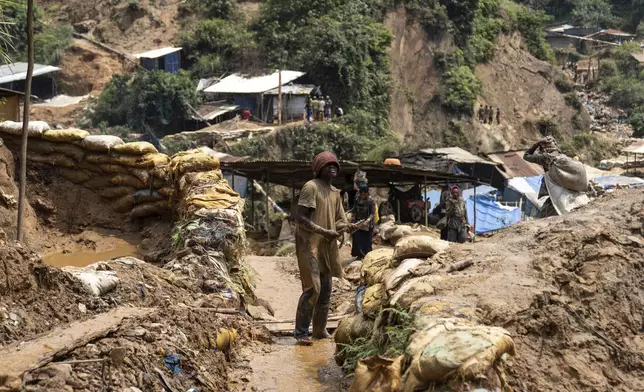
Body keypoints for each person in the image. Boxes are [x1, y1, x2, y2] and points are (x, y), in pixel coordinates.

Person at [292, 152, 358, 345]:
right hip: (309, 245)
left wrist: (349, 227)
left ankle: (319, 330)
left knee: (326, 290)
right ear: (319, 168)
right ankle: (301, 332)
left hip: (326, 248)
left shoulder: (335, 193)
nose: (332, 167)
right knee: (313, 288)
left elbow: (339, 221)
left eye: (335, 165)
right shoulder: (311, 187)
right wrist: (323, 231)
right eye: (328, 164)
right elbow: (301, 217)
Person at [523, 136, 560, 218]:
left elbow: (526, 155)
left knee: (545, 212)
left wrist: (536, 143)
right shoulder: (560, 156)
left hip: (553, 188)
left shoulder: (545, 157)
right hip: (562, 189)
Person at [351, 186, 376, 259]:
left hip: (367, 224)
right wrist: (352, 218)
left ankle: (367, 256)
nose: (363, 196)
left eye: (364, 194)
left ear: (367, 194)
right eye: (362, 194)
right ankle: (359, 255)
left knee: (367, 241)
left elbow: (373, 213)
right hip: (358, 223)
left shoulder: (371, 201)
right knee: (357, 239)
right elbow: (354, 210)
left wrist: (367, 221)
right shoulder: (357, 199)